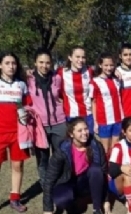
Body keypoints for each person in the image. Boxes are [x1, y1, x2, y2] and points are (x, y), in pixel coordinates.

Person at [42, 117, 109, 214]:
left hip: (86, 182)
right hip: (68, 182)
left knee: (96, 170)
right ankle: (73, 204)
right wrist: (47, 209)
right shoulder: (62, 151)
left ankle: (96, 209)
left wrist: (106, 201)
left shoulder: (96, 145)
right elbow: (49, 180)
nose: (84, 133)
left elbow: (104, 172)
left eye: (86, 129)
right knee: (62, 199)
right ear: (71, 134)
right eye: (79, 130)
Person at [27, 48, 67, 187]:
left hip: (59, 123)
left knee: (61, 156)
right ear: (35, 63)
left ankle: (61, 184)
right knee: (42, 159)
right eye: (41, 62)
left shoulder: (57, 78)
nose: (44, 65)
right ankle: (46, 187)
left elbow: (63, 95)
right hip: (40, 126)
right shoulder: (28, 80)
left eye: (47, 62)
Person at [0, 52, 32, 212]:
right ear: (0, 65)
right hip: (0, 132)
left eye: (13, 63)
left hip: (18, 132)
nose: (11, 66)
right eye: (7, 63)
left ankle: (15, 198)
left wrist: (26, 112)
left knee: (17, 165)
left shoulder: (21, 84)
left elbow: (26, 104)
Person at [90, 53, 123, 154]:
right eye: (106, 65)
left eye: (111, 65)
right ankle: (105, 169)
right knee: (105, 148)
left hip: (117, 119)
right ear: (100, 65)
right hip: (103, 120)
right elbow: (93, 103)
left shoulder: (117, 80)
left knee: (116, 146)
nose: (109, 68)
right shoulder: (94, 82)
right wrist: (95, 122)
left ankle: (113, 168)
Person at [57, 46, 95, 134]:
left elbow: (103, 75)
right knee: (73, 144)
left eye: (83, 57)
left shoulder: (89, 71)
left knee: (89, 143)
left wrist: (116, 72)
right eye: (77, 57)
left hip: (88, 115)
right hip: (71, 115)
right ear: (70, 57)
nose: (81, 60)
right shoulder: (61, 72)